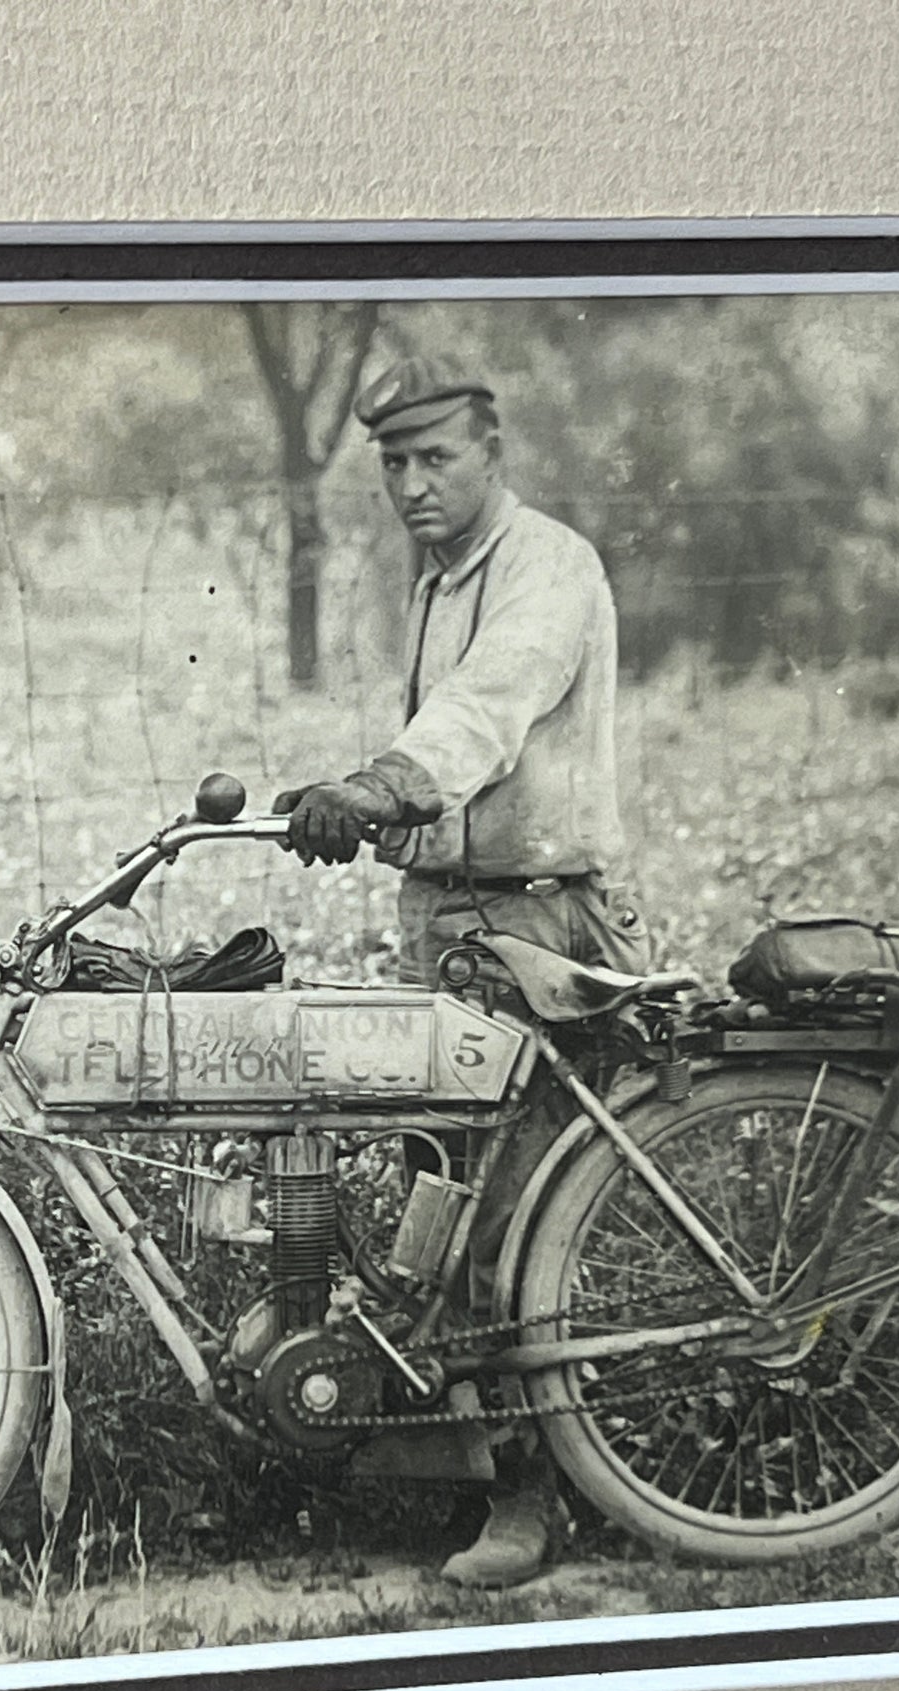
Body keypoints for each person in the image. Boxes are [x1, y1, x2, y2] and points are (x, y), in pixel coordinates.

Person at [273, 352, 652, 1589]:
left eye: (435, 458)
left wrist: (382, 783)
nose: (411, 483)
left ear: (490, 450)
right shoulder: (435, 580)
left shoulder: (544, 566)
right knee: (433, 1198)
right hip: (448, 922)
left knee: (506, 1218)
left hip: (538, 928)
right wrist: (353, 809)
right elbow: (447, 760)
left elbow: (486, 714)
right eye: (392, 462)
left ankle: (535, 1507)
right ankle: (453, 1461)